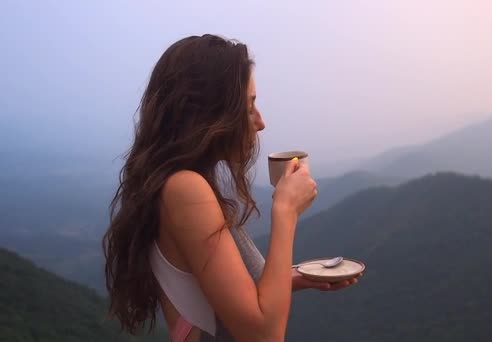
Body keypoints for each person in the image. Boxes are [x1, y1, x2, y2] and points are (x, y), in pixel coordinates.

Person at [102, 34, 361, 342]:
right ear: (214, 112)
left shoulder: (174, 184)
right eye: (250, 105)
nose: (261, 121)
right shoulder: (185, 189)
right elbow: (263, 334)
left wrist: (291, 278)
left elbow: (222, 295)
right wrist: (285, 210)